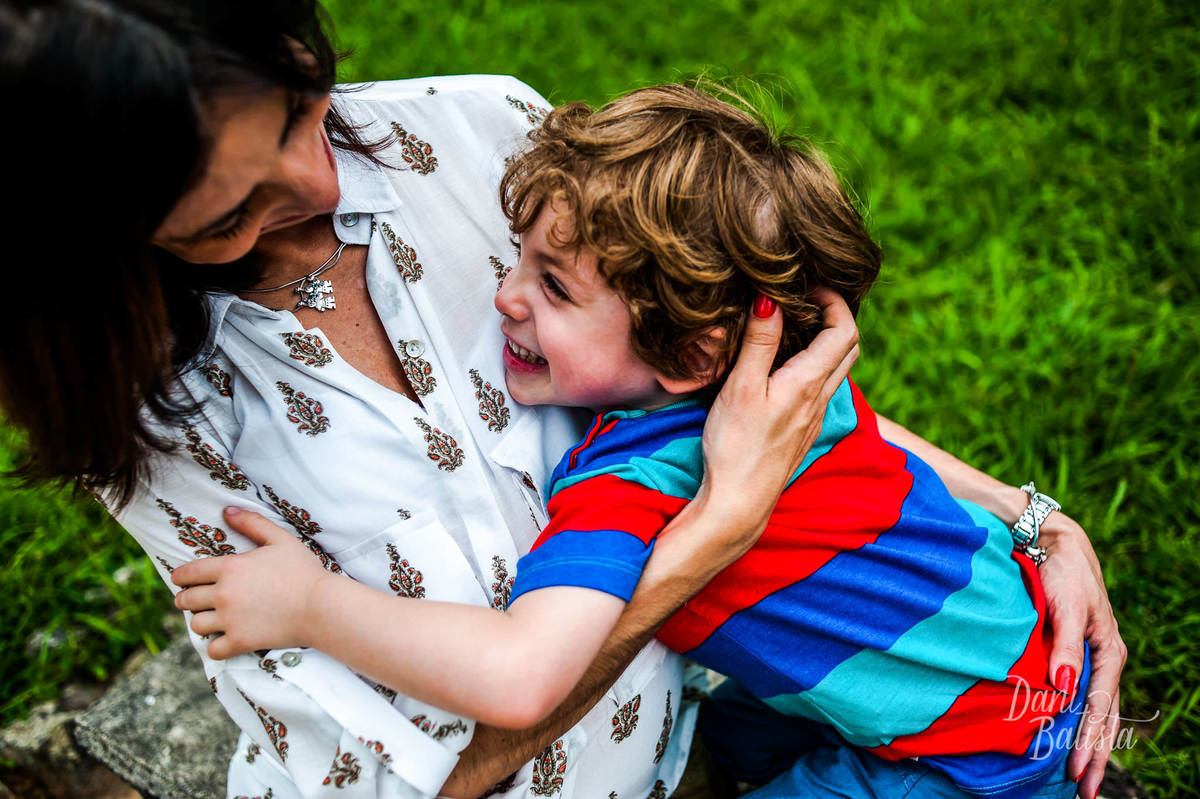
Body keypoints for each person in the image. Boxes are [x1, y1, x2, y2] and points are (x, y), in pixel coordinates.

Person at [0, 2, 1125, 799]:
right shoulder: (148, 410)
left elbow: (795, 405)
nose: (324, 180)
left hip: (833, 744)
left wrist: (1037, 518)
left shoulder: (486, 136)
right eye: (225, 214)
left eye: (302, 107)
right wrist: (715, 532)